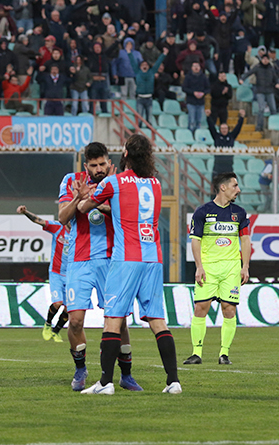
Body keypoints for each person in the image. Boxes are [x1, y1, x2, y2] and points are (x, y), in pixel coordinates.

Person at [75, 134, 181, 395]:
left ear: (125, 155)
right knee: (158, 320)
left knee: (113, 319)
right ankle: (173, 382)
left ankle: (105, 383)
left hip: (126, 258)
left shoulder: (114, 182)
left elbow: (84, 208)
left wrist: (84, 196)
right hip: (153, 257)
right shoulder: (155, 183)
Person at [58, 142, 142, 392]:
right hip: (79, 261)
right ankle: (80, 368)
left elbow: (127, 216)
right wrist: (78, 197)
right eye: (93, 165)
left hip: (112, 260)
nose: (99, 169)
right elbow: (62, 217)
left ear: (109, 162)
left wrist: (95, 200)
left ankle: (126, 374)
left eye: (102, 164)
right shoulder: (72, 180)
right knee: (75, 321)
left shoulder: (119, 183)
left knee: (119, 320)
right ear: (86, 166)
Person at [185, 172, 251, 366]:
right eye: (235, 186)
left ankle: (224, 354)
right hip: (208, 268)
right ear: (223, 187)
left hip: (231, 268)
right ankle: (196, 353)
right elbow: (195, 240)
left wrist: (245, 266)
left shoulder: (239, 213)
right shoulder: (203, 212)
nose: (238, 190)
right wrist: (199, 266)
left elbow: (245, 240)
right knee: (201, 308)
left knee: (229, 309)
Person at [16, 205, 69, 342]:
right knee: (58, 303)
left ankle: (56, 331)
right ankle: (48, 324)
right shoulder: (57, 227)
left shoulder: (80, 231)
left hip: (72, 275)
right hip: (56, 273)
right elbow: (38, 220)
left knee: (70, 308)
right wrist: (25, 212)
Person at [131, 47, 166, 125]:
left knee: (149, 120)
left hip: (149, 98)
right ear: (140, 66)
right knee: (139, 119)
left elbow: (158, 63)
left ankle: (149, 131)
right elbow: (132, 62)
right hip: (140, 98)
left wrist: (164, 54)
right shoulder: (137, 72)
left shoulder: (151, 72)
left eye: (146, 65)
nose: (145, 66)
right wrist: (129, 53)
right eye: (143, 65)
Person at [207, 109, 246, 180]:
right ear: (220, 129)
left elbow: (238, 128)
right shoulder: (216, 136)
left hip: (228, 166)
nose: (224, 130)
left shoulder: (231, 136)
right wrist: (208, 117)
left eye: (225, 128)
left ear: (228, 129)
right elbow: (211, 127)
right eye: (222, 128)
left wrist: (242, 117)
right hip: (218, 165)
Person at [183, 62, 209, 134]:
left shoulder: (203, 77)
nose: (196, 68)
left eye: (197, 66)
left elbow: (208, 88)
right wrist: (193, 93)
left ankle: (197, 135)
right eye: (194, 66)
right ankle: (190, 135)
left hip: (201, 102)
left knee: (199, 121)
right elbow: (184, 88)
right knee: (192, 121)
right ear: (192, 68)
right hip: (191, 102)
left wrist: (203, 93)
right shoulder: (188, 77)